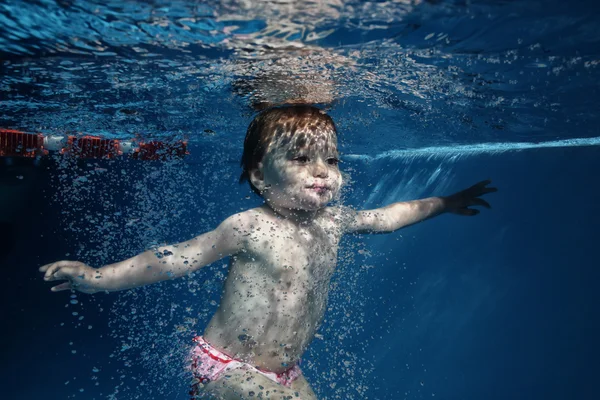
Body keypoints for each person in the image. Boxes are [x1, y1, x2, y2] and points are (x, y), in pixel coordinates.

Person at [40, 105, 496, 399]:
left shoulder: (334, 222)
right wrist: (98, 277)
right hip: (225, 367)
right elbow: (172, 258)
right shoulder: (249, 226)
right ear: (260, 176)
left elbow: (392, 215)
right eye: (301, 159)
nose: (322, 172)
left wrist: (445, 203)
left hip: (284, 371)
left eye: (331, 161)